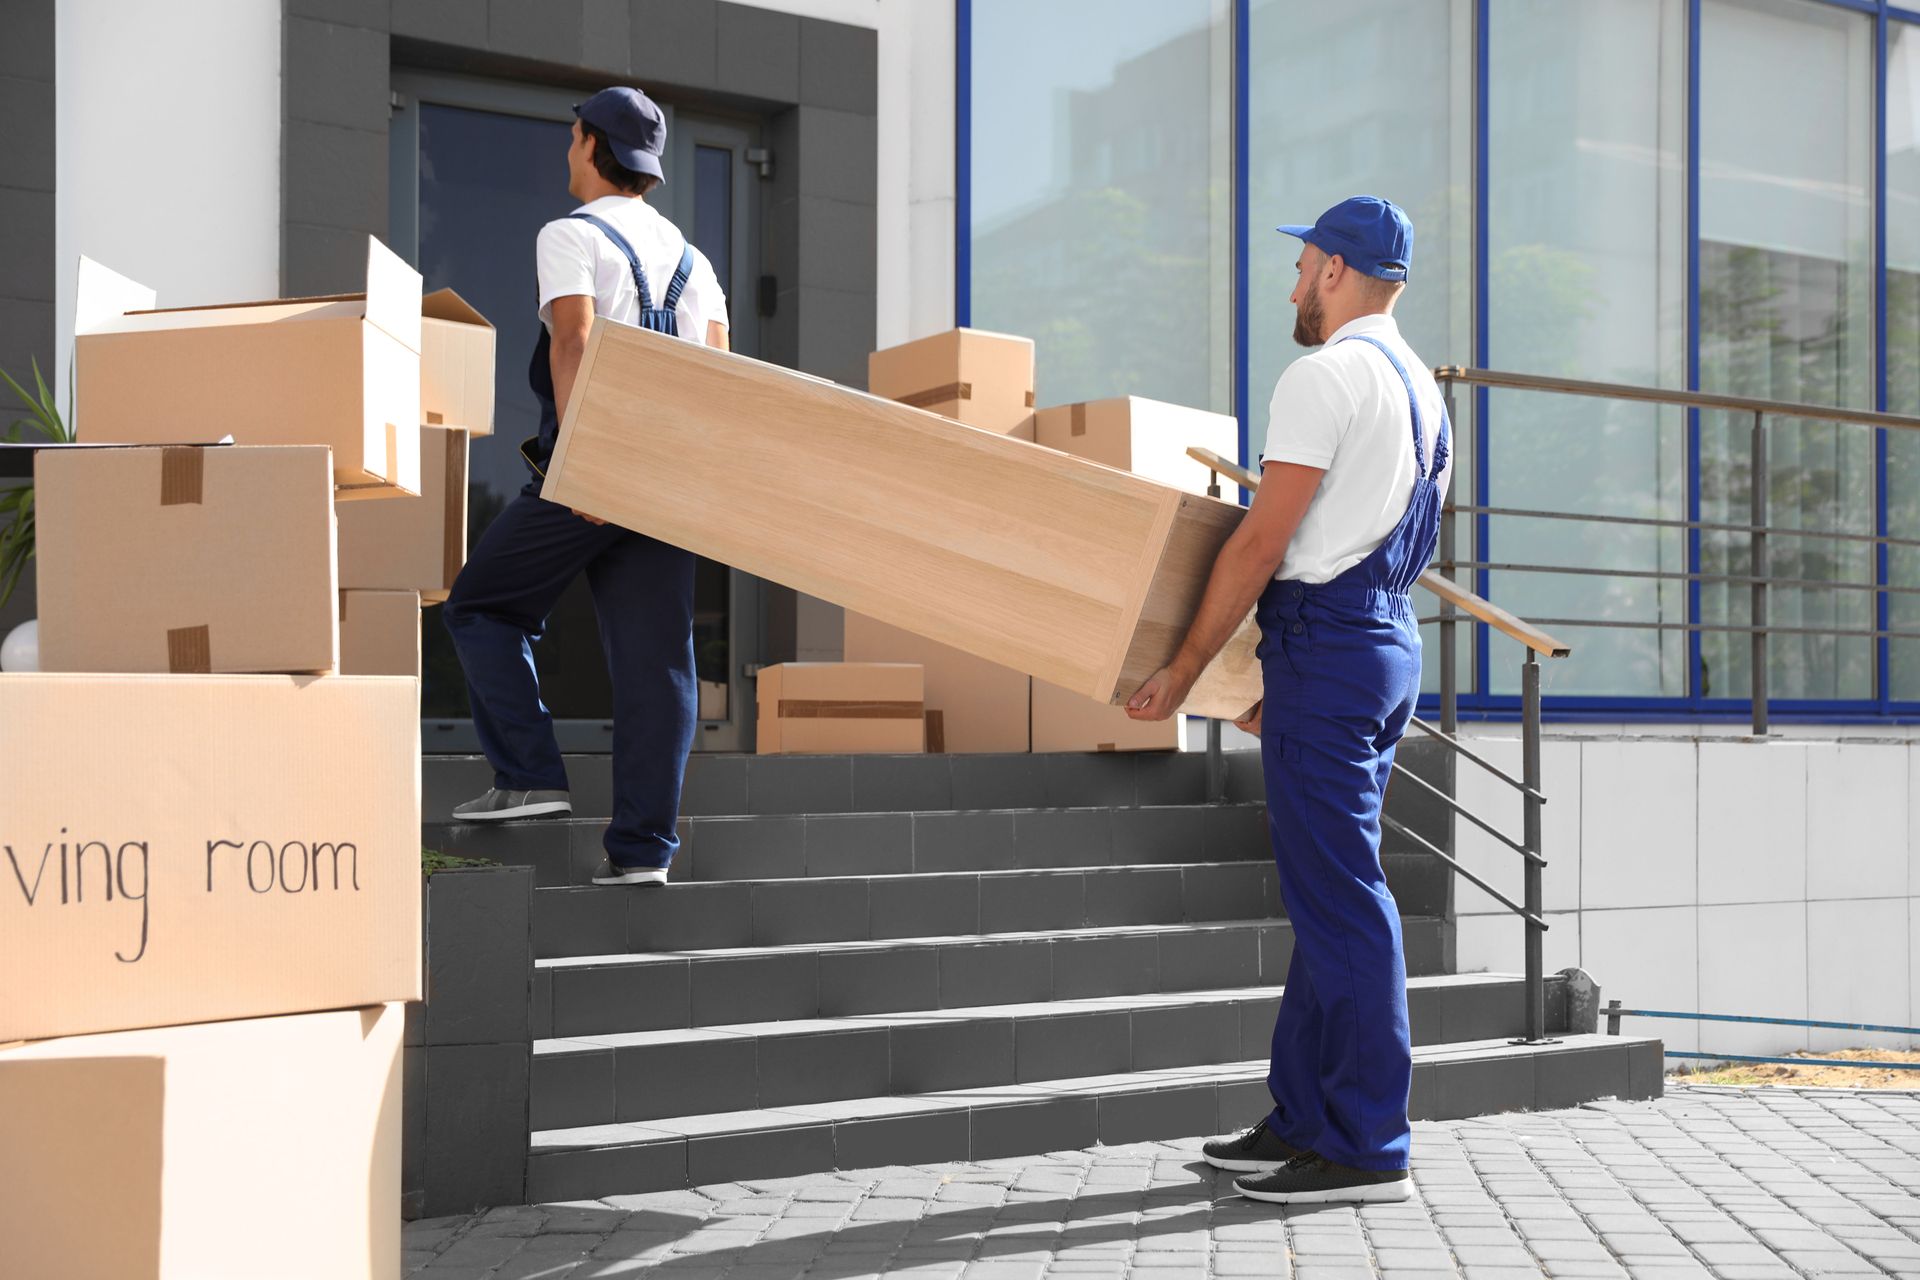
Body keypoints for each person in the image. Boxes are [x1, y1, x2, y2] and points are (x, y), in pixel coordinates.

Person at [1126, 195, 1446, 1204]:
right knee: (1329, 895)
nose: (1294, 283)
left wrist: (1185, 668)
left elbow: (1265, 541)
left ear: (1339, 271)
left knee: (1343, 900)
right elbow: (1360, 542)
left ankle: (1365, 1144)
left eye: (1304, 264)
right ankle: (1306, 1116)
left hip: (1335, 648)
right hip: (1379, 645)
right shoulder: (1422, 388)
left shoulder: (1325, 374)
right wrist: (1288, 674)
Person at [442, 86, 730, 888]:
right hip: (670, 480)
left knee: (481, 605)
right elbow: (721, 377)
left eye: (573, 137)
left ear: (592, 144)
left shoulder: (569, 236)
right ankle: (642, 854)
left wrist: (582, 459)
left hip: (598, 468)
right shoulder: (697, 263)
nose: (567, 151)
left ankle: (532, 774)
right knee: (657, 664)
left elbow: (571, 343)